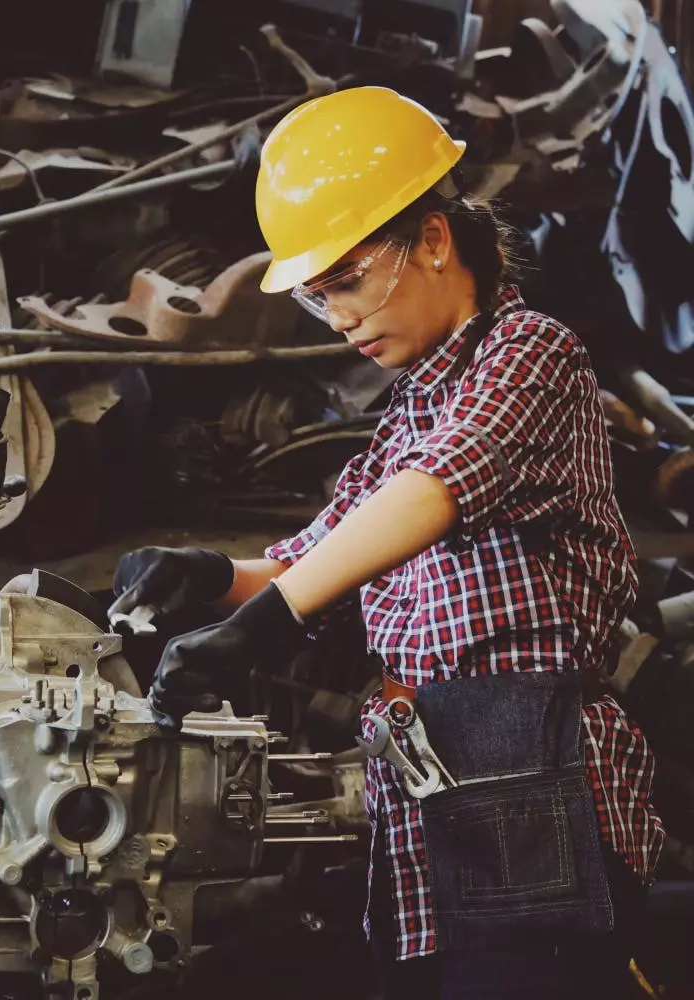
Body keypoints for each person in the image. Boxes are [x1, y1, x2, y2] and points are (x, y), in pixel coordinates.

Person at [107, 88, 665, 998]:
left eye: (348, 281)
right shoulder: (407, 416)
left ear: (434, 240)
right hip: (424, 797)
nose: (338, 318)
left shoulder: (531, 354)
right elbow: (312, 563)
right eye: (318, 297)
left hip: (534, 787)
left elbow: (437, 489)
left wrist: (264, 623)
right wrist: (204, 577)